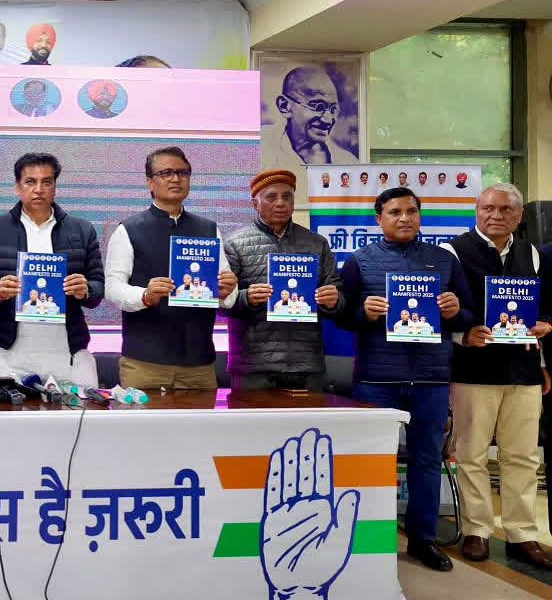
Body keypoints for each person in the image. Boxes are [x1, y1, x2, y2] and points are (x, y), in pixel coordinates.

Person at [337, 186, 474, 572]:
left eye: (411, 211)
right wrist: (363, 312)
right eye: (395, 211)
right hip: (376, 379)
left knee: (427, 460)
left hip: (431, 378)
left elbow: (468, 315)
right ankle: (369, 539)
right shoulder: (359, 261)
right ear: (379, 218)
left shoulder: (443, 261)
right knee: (370, 462)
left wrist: (454, 311)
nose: (405, 218)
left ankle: (422, 540)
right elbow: (342, 317)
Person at [436, 183, 552, 568]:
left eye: (505, 209)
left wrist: (544, 336)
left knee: (522, 455)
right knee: (471, 454)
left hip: (522, 370)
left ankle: (522, 534)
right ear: (476, 210)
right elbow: (441, 308)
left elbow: (544, 306)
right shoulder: (453, 251)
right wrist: (460, 332)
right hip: (473, 369)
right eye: (488, 208)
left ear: (519, 216)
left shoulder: (531, 253)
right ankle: (477, 531)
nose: (495, 215)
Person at [104, 146, 237, 390]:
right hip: (145, 363)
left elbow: (226, 291)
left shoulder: (208, 229)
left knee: (200, 429)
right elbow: (112, 288)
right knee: (144, 429)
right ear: (149, 182)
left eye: (182, 173)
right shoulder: (128, 229)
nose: (175, 178)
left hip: (199, 363)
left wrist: (228, 290)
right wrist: (144, 295)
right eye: (166, 173)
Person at [0, 153, 104, 386]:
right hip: (9, 355)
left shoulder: (82, 230)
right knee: (9, 421)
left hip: (68, 353)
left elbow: (98, 288)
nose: (39, 189)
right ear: (17, 187)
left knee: (81, 419)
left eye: (47, 182)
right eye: (30, 182)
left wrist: (86, 290)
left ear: (55, 187)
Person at [223, 169, 344, 391]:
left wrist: (333, 301)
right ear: (255, 203)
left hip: (306, 364)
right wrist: (245, 298)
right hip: (253, 366)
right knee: (253, 426)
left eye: (287, 196)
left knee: (309, 427)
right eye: (271, 197)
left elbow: (338, 300)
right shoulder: (234, 245)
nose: (280, 203)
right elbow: (219, 305)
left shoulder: (317, 243)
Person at [263, 67, 356, 166]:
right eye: (318, 107)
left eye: (333, 109)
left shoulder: (347, 161)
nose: (328, 120)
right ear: (285, 106)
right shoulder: (261, 144)